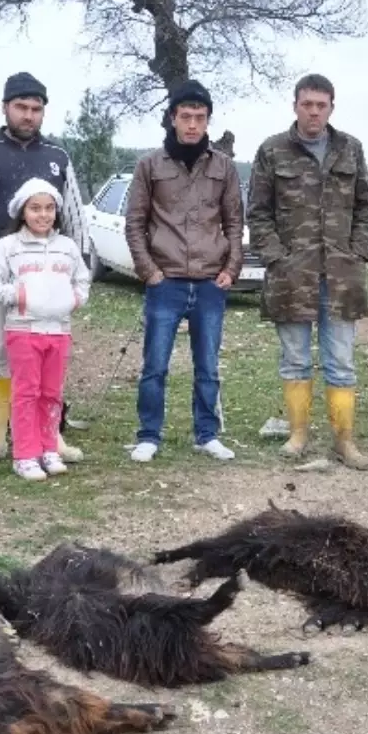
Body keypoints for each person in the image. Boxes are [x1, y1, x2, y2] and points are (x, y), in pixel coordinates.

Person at [0, 72, 87, 469]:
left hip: (52, 267)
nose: (28, 115)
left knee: (48, 353)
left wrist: (82, 265)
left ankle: (50, 436)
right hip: (0, 265)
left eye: (36, 109)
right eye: (21, 108)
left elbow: (73, 211)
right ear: (5, 107)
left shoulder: (58, 157)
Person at [246, 73, 368, 470]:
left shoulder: (350, 149)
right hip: (292, 277)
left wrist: (358, 251)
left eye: (321, 105)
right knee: (295, 360)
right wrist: (276, 257)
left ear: (331, 107)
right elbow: (258, 211)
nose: (314, 112)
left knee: (341, 361)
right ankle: (298, 434)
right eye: (307, 104)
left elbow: (366, 205)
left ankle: (344, 441)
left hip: (341, 276)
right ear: (295, 106)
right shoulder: (272, 151)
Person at [123, 79, 244, 463]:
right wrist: (149, 271)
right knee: (155, 364)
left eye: (201, 117)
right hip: (166, 279)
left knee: (207, 365)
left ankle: (206, 434)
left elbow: (234, 223)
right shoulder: (149, 165)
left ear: (208, 121)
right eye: (186, 116)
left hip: (210, 281)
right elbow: (134, 222)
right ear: (172, 118)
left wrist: (232, 267)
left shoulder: (223, 167)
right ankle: (148, 435)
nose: (193, 124)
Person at [0, 178, 91, 482]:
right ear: (22, 212)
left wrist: (73, 300)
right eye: (35, 208)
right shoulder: (8, 247)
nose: (43, 215)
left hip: (59, 332)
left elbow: (82, 279)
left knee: (51, 393)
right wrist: (19, 296)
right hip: (23, 331)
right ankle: (25, 454)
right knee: (26, 392)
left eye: (49, 208)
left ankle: (48, 447)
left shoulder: (67, 248)